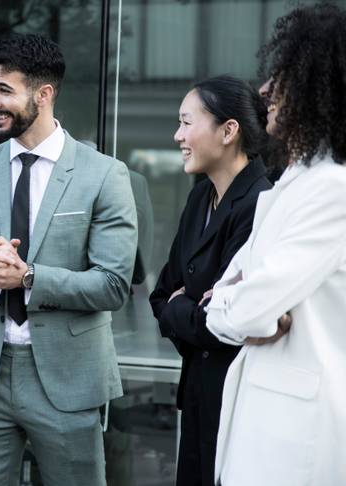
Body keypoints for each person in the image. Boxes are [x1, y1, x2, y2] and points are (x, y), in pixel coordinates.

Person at [0, 34, 137, 485]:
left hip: (68, 379)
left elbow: (113, 285)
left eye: (3, 90)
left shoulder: (104, 174)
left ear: (43, 94)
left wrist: (28, 277)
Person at [204, 4, 346, 486]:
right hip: (264, 428)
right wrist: (241, 303)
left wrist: (242, 304)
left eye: (281, 78)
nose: (265, 90)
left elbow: (243, 311)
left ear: (317, 85)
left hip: (296, 444)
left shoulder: (332, 190)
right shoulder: (291, 183)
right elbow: (219, 305)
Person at [149, 75, 272, 486]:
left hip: (238, 400)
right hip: (199, 394)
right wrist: (188, 307)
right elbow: (161, 294)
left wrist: (181, 309)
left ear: (228, 130)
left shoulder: (261, 202)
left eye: (187, 123)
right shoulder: (200, 196)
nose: (177, 135)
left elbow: (226, 321)